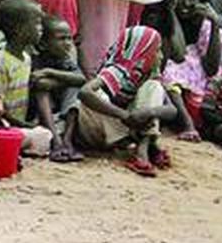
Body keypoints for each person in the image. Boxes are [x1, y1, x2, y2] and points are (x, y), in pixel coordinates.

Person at [60, 26, 176, 176]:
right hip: (98, 130)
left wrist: (148, 112)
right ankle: (141, 145)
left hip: (125, 128)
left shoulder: (149, 75)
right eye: (157, 50)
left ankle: (142, 149)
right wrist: (124, 115)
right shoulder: (117, 70)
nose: (161, 55)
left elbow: (172, 110)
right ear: (143, 52)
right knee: (98, 95)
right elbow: (84, 92)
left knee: (153, 88)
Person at [159, 0, 222, 141]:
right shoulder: (164, 16)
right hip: (173, 72)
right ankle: (188, 126)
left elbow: (212, 68)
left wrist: (214, 24)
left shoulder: (203, 24)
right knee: (170, 75)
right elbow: (176, 54)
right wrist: (170, 9)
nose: (186, 3)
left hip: (197, 78)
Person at [0, 0, 54, 156]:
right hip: (3, 125)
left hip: (19, 123)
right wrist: (26, 125)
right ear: (18, 29)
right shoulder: (0, 61)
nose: (41, 28)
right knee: (44, 136)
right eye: (36, 23)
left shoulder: (26, 58)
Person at [32, 14, 87, 161]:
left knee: (74, 88)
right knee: (42, 90)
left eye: (69, 38)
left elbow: (81, 79)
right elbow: (39, 84)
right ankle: (56, 142)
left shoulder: (65, 59)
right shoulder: (36, 58)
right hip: (41, 117)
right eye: (62, 39)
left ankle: (67, 140)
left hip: (64, 114)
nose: (68, 43)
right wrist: (55, 81)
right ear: (43, 44)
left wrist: (51, 74)